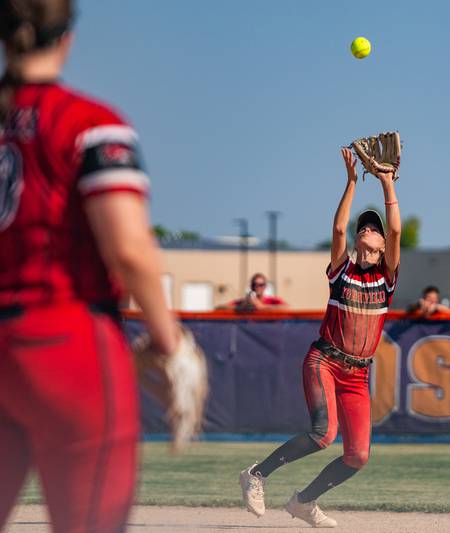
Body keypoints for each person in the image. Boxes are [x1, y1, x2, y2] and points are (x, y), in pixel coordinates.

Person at [0, 2, 181, 531]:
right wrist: (169, 341)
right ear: (67, 37)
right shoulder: (90, 123)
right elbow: (128, 248)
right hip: (64, 341)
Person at [239, 147, 401, 527]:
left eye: (374, 227)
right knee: (324, 433)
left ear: (381, 249)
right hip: (324, 361)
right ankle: (256, 474)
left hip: (358, 376)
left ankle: (303, 502)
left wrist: (386, 182)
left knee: (358, 455)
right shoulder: (342, 271)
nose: (370, 229)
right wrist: (349, 182)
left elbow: (396, 228)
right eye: (366, 226)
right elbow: (337, 229)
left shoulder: (386, 279)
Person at [221, 273, 287, 311]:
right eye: (254, 284)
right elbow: (220, 308)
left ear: (265, 286)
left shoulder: (271, 300)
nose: (257, 287)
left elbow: (286, 307)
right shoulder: (244, 302)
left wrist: (263, 307)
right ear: (251, 286)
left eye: (261, 285)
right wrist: (241, 307)